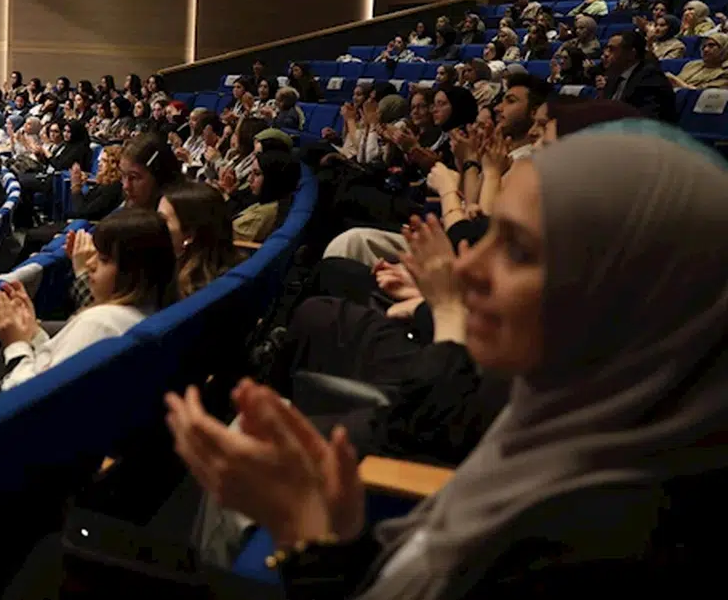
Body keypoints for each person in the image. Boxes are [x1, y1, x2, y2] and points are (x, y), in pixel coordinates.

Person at [166, 128, 728, 597]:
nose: (466, 270)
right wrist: (339, 532)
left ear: (628, 298)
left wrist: (305, 536)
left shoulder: (606, 543)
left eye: (518, 250)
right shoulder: (553, 428)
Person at [0, 209, 176, 391]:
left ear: (133, 274)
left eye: (103, 259)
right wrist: (33, 334)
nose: (89, 264)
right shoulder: (147, 309)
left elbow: (30, 396)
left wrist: (15, 344)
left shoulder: (99, 322)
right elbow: (60, 364)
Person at [157, 181, 238, 298]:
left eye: (162, 220)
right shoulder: (232, 269)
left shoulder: (182, 293)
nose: (154, 225)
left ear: (189, 235)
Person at [598, 30, 678, 122]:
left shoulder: (650, 77)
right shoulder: (614, 77)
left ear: (631, 54)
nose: (605, 54)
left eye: (612, 49)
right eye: (606, 49)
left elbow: (647, 120)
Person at [233, 150, 301, 243]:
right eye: (250, 173)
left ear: (273, 178)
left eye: (257, 174)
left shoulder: (260, 216)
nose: (249, 179)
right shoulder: (271, 201)